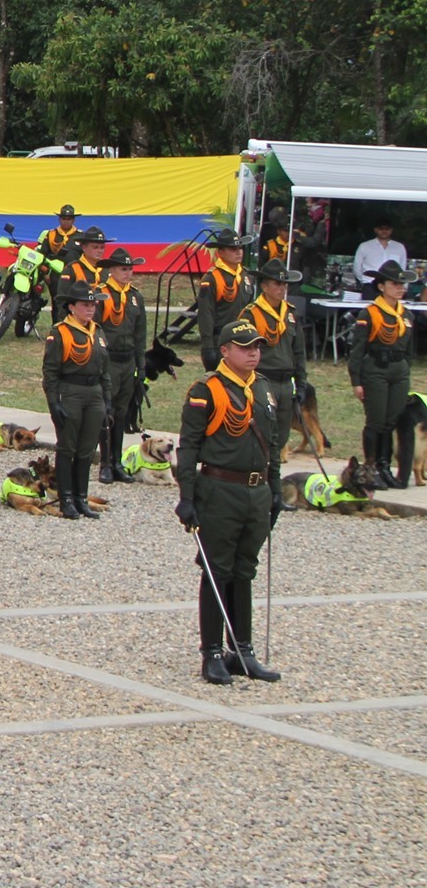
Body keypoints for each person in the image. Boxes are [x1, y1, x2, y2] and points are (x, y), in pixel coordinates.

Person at [174, 319, 283, 685]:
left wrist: (276, 489)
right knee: (217, 571)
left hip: (256, 490)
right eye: (245, 347)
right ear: (225, 351)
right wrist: (186, 496)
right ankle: (212, 653)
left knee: (244, 570)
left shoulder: (264, 388)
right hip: (221, 488)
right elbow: (188, 446)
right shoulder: (207, 390)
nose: (253, 353)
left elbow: (274, 443)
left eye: (257, 347)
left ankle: (243, 649)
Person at [42, 280, 109, 520]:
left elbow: (105, 369)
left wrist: (107, 400)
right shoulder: (60, 333)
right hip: (71, 390)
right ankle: (66, 498)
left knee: (86, 449)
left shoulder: (97, 331)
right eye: (85, 304)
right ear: (71, 307)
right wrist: (53, 403)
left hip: (94, 393)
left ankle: (82, 497)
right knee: (67, 447)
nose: (90, 309)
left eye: (93, 304)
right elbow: (50, 372)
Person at [350, 261, 414, 490]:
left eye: (401, 283)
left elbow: (409, 349)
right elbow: (357, 350)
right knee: (376, 421)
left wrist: (407, 369)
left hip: (398, 370)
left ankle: (385, 466)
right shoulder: (369, 313)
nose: (399, 287)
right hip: (375, 368)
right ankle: (371, 467)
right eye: (394, 283)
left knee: (391, 421)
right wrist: (356, 381)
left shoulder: (405, 314)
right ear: (381, 286)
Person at [95, 248, 150, 484]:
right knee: (106, 412)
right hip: (109, 360)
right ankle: (105, 463)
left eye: (130, 269)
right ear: (111, 270)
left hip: (128, 361)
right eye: (123, 269)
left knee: (121, 411)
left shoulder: (136, 296)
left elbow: (140, 334)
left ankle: (117, 461)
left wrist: (141, 366)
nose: (127, 273)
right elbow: (94, 330)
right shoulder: (101, 294)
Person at [195, 228, 253, 373]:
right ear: (220, 252)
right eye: (233, 249)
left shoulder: (246, 276)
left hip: (243, 338)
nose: (238, 252)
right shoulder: (211, 278)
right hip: (221, 340)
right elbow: (205, 315)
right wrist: (208, 346)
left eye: (240, 248)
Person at [352, 217, 407, 293]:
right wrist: (364, 281)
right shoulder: (364, 246)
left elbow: (402, 269)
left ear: (391, 230)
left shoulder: (399, 247)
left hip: (392, 287)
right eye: (381, 229)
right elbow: (356, 267)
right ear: (376, 230)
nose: (384, 231)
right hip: (370, 285)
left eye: (387, 229)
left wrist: (402, 286)